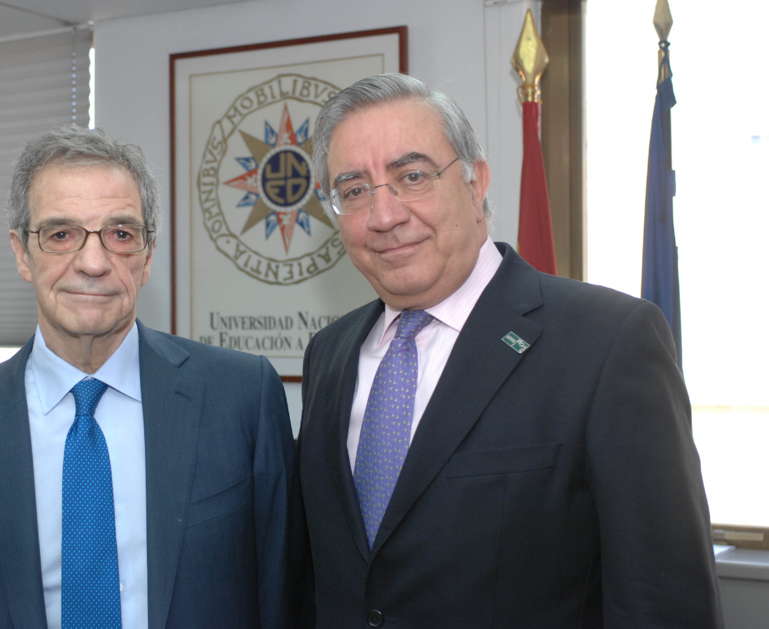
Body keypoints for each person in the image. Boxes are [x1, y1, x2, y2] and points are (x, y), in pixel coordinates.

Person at [296, 73, 722, 627]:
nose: (384, 216)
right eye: (354, 191)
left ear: (476, 184)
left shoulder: (607, 343)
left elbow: (664, 603)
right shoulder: (329, 355)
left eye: (413, 175)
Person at [0, 126, 296, 629]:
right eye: (61, 235)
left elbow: (283, 595)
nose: (94, 262)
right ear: (21, 253)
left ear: (147, 256)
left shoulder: (241, 398)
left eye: (121, 234)